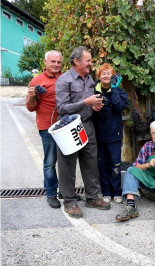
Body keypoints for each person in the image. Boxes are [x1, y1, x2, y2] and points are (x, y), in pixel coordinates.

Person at [55, 46, 110, 218]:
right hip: (68, 126)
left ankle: (92, 197)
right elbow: (62, 108)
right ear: (76, 61)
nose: (90, 64)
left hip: (87, 125)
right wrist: (86, 102)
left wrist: (94, 106)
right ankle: (70, 202)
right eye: (88, 61)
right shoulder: (64, 80)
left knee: (91, 163)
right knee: (67, 165)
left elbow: (89, 102)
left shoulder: (89, 80)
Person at [25, 50, 63, 208]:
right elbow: (30, 107)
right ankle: (51, 193)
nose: (55, 64)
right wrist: (32, 95)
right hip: (47, 127)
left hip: (65, 126)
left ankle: (66, 191)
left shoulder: (65, 77)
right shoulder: (37, 81)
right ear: (45, 62)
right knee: (50, 161)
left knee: (67, 162)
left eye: (58, 62)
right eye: (52, 61)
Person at [92, 63, 129, 204]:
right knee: (102, 164)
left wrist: (114, 89)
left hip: (114, 134)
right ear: (99, 76)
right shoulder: (93, 92)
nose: (106, 75)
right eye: (103, 73)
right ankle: (106, 192)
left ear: (113, 76)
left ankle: (116, 192)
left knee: (115, 164)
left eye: (109, 73)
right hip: (99, 134)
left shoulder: (119, 91)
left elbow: (119, 107)